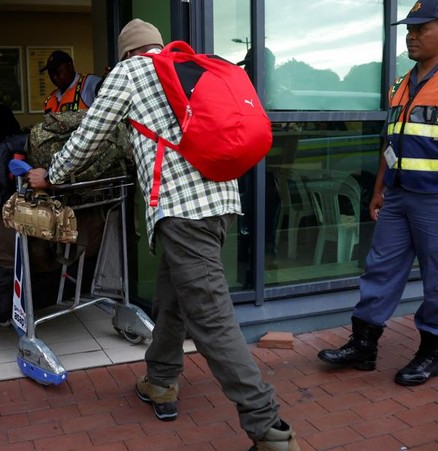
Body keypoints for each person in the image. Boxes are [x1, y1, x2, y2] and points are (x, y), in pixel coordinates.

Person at [26, 18, 299, 450]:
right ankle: (160, 380)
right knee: (172, 299)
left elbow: (88, 137)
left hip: (182, 212)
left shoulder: (131, 72)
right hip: (221, 205)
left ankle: (268, 429)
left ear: (127, 53)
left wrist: (52, 176)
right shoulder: (198, 68)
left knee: (211, 318)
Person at [318, 0, 438, 387]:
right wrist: (380, 188)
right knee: (380, 270)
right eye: (409, 29)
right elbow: (391, 142)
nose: (411, 36)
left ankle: (431, 355)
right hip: (399, 198)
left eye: (421, 28)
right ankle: (364, 345)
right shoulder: (402, 83)